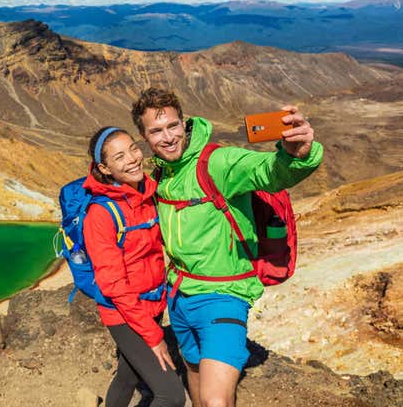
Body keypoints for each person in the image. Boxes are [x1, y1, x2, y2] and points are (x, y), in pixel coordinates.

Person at [130, 88, 323, 407]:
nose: (168, 137)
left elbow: (270, 172)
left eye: (173, 126)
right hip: (179, 298)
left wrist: (297, 155)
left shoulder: (218, 162)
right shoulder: (162, 174)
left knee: (216, 401)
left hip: (223, 297)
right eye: (157, 130)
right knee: (194, 377)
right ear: (144, 136)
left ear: (184, 123)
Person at [82, 126, 186, 407]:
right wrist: (154, 336)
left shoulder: (148, 193)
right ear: (104, 168)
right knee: (171, 395)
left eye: (133, 149)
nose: (132, 159)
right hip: (123, 313)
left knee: (128, 377)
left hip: (152, 304)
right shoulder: (100, 215)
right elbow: (113, 285)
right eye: (119, 157)